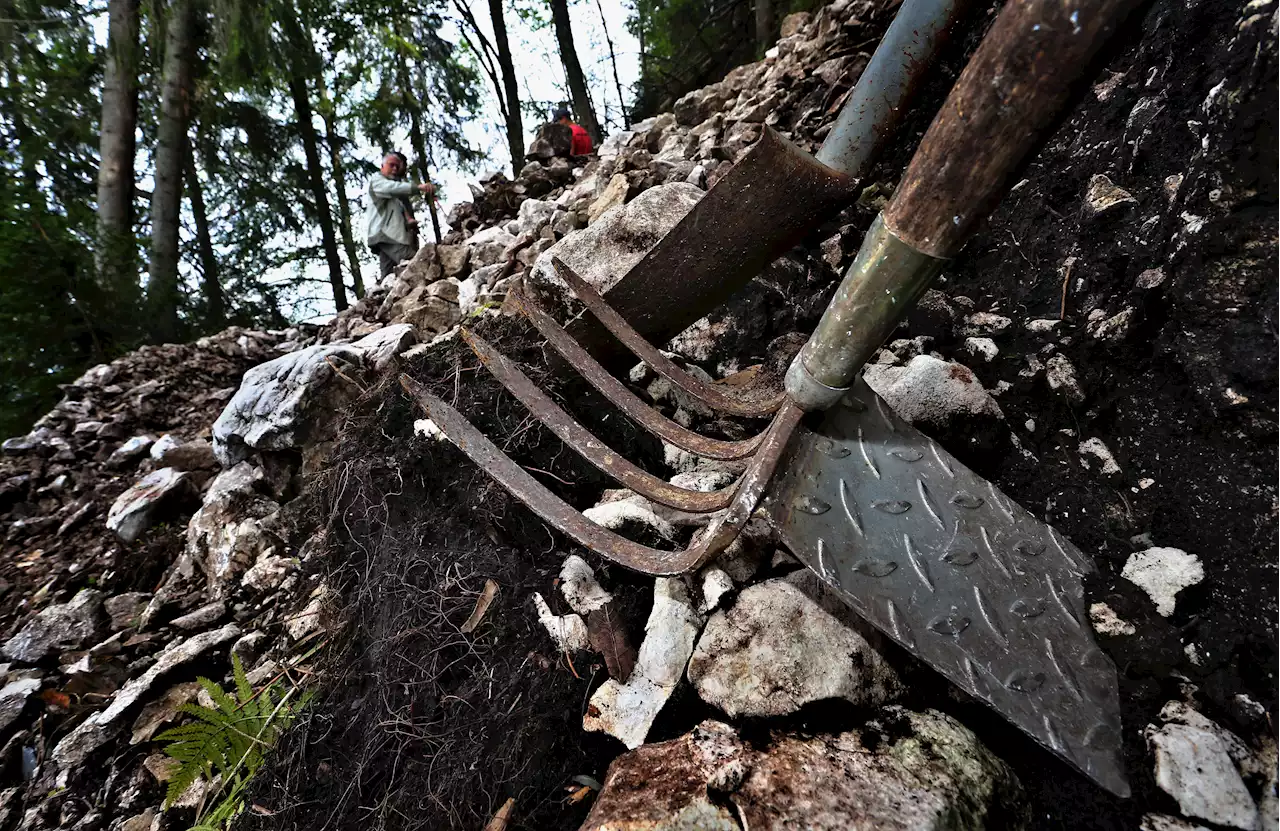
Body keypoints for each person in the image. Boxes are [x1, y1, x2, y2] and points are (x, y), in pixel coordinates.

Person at [365, 151, 435, 279]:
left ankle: (386, 295)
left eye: (397, 167)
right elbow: (391, 187)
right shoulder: (378, 181)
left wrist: (408, 220)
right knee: (414, 262)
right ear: (382, 166)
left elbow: (397, 205)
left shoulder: (389, 193)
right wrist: (418, 187)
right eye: (391, 165)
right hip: (387, 234)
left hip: (385, 235)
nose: (395, 169)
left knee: (388, 275)